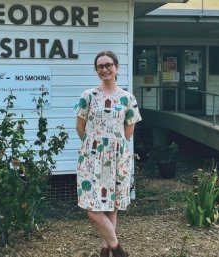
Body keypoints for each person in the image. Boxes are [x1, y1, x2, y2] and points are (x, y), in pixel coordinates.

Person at [74, 50, 142, 257]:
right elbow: (80, 127)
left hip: (118, 156)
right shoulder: (88, 96)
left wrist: (113, 145)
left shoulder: (127, 98)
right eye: (100, 66)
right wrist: (94, 146)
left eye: (108, 65)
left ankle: (105, 251)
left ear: (116, 67)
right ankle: (118, 250)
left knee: (111, 206)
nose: (104, 69)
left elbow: (128, 133)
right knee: (93, 211)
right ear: (96, 70)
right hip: (91, 157)